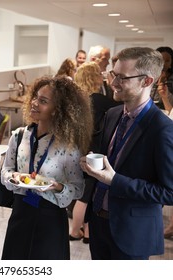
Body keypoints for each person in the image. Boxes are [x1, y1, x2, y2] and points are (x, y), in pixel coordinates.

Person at [80, 47, 173, 260]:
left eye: (122, 78)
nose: (113, 83)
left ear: (147, 81)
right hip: (98, 223)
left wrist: (116, 181)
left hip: (132, 232)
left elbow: (169, 192)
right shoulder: (112, 114)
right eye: (113, 75)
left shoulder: (163, 129)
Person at [0, 76, 93, 259]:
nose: (34, 103)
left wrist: (57, 186)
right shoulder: (19, 136)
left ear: (58, 110)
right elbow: (6, 171)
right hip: (20, 213)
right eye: (35, 97)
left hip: (50, 218)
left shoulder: (68, 146)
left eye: (43, 101)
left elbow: (78, 188)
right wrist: (12, 177)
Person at [70, 62, 120, 244]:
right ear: (93, 77)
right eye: (99, 74)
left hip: (82, 149)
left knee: (87, 193)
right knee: (86, 195)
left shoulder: (80, 99)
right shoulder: (98, 99)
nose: (103, 77)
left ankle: (85, 231)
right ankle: (75, 230)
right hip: (93, 152)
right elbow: (120, 105)